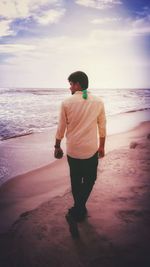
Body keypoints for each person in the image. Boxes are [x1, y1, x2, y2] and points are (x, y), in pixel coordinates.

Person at [54, 71, 106, 222]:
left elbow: (61, 128)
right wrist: (102, 146)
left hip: (73, 150)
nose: (69, 88)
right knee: (90, 179)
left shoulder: (66, 102)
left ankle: (78, 207)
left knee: (76, 181)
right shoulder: (98, 101)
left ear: (78, 84)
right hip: (91, 150)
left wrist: (57, 146)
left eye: (71, 84)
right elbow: (102, 126)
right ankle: (80, 207)